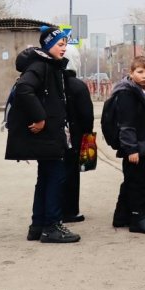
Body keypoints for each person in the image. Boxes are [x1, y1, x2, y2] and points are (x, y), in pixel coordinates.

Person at [5, 26, 80, 243]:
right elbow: (24, 89)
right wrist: (40, 118)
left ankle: (37, 225)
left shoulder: (48, 65)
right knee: (55, 178)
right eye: (59, 44)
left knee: (45, 178)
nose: (63, 48)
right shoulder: (41, 66)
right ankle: (52, 227)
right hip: (47, 135)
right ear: (48, 46)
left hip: (49, 135)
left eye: (65, 44)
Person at [111, 56, 145, 234]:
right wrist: (131, 149)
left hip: (143, 145)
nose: (144, 75)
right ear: (131, 73)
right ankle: (138, 218)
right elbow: (126, 124)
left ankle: (121, 216)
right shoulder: (128, 93)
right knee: (138, 183)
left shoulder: (143, 90)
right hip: (136, 147)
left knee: (131, 181)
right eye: (140, 72)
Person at [62, 58, 93, 223]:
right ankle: (70, 211)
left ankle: (56, 209)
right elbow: (87, 115)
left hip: (56, 137)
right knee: (72, 174)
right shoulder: (78, 85)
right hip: (74, 138)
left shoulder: (53, 82)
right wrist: (87, 136)